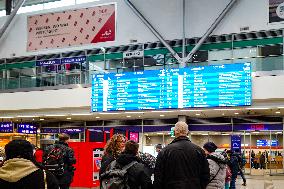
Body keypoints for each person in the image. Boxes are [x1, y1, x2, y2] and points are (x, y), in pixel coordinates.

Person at [154, 121, 210, 189]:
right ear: (187, 132)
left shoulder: (165, 151)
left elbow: (158, 176)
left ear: (175, 132)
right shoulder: (199, 151)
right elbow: (206, 175)